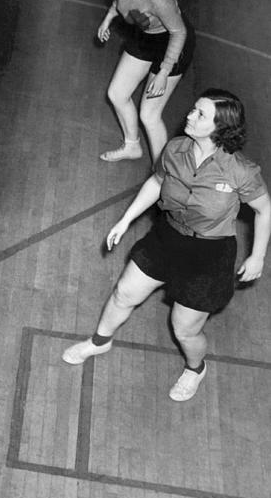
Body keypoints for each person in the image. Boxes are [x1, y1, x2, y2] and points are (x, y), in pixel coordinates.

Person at [63, 89, 270, 402]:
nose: (189, 115)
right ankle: (100, 341)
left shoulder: (241, 171)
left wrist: (257, 256)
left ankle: (195, 369)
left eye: (200, 114)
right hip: (168, 237)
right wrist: (126, 220)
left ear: (220, 127)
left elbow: (264, 209)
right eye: (193, 109)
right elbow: (157, 183)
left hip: (208, 255)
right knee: (124, 293)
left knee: (184, 329)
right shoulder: (176, 148)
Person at [96, 0, 195, 165]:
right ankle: (132, 146)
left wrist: (163, 72)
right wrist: (107, 20)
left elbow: (179, 33)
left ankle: (163, 176)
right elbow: (122, 0)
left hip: (172, 42)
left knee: (149, 114)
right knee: (117, 94)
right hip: (146, 35)